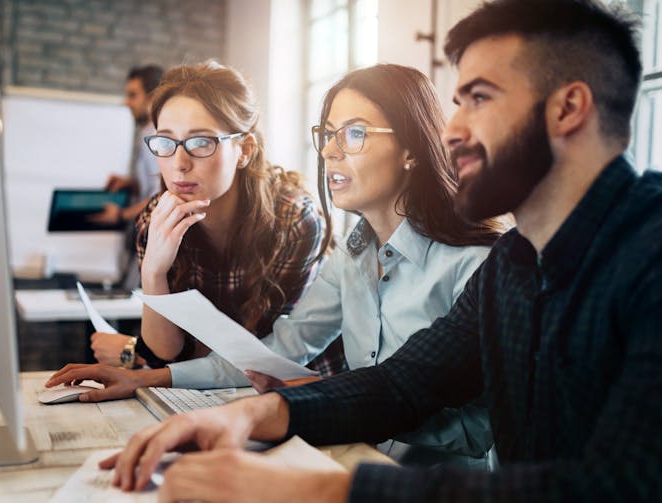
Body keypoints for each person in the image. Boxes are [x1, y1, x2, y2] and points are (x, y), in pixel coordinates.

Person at [98, 0, 662, 501]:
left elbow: (619, 483)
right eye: (458, 101)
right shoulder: (515, 263)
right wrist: (253, 414)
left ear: (568, 108)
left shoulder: (649, 253)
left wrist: (328, 489)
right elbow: (403, 384)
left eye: (480, 98)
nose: (452, 129)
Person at [48, 64, 502, 466]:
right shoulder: (352, 258)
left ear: (412, 148)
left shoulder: (477, 267)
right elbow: (280, 351)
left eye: (355, 133)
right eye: (327, 134)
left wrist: (325, 407)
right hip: (349, 461)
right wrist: (147, 378)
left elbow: (476, 428)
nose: (329, 152)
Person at [59, 60, 337, 376]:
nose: (179, 163)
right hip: (209, 390)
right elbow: (166, 351)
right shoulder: (155, 218)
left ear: (244, 149)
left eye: (201, 141)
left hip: (302, 392)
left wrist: (131, 352)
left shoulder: (292, 220)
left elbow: (257, 355)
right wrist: (154, 271)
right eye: (165, 142)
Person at [89, 64, 164, 364]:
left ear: (152, 96)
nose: (127, 102)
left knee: (135, 320)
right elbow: (150, 185)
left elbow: (160, 194)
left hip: (149, 241)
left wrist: (120, 214)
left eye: (133, 95)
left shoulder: (156, 136)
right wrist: (129, 183)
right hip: (140, 240)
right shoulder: (146, 133)